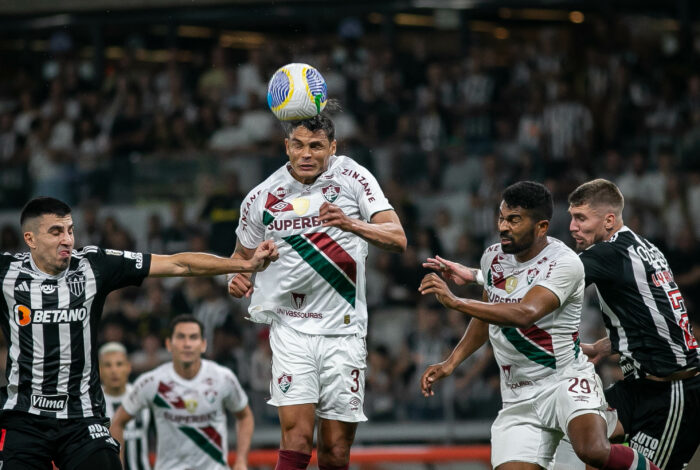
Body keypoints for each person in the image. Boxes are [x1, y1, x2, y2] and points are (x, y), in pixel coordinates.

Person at [0, 196, 277, 470]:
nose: (67, 240)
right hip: (24, 418)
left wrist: (245, 264)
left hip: (81, 418)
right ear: (30, 239)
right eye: (56, 232)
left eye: (70, 230)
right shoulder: (7, 273)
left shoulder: (93, 264)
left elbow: (178, 264)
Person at [419, 181, 660, 470]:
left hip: (565, 382)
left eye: (515, 219)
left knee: (593, 450)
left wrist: (455, 302)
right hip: (517, 398)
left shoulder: (564, 263)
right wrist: (451, 362)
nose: (504, 226)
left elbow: (525, 312)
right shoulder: (492, 258)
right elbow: (487, 315)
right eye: (502, 218)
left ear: (541, 227)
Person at [227, 113, 406, 470]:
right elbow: (239, 260)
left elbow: (398, 239)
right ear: (286, 147)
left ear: (332, 148)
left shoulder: (352, 177)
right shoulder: (262, 197)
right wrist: (238, 278)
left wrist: (349, 223)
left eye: (316, 146)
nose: (306, 154)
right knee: (296, 438)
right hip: (291, 330)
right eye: (298, 145)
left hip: (344, 331)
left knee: (336, 450)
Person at [551, 179, 700, 470]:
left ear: (608, 220)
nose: (572, 227)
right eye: (571, 217)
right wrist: (609, 345)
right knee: (584, 440)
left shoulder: (609, 253)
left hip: (672, 392)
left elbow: (548, 286)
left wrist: (482, 278)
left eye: (581, 218)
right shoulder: (645, 248)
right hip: (637, 386)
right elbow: (659, 314)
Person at [110, 315, 253, 470]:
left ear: (203, 344)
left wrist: (241, 460)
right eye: (180, 337)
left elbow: (245, 416)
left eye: (193, 337)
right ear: (169, 344)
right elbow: (117, 422)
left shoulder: (223, 378)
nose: (187, 344)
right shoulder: (152, 382)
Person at [99, 341, 151, 470]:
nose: (114, 370)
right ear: (99, 370)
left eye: (119, 364)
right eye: (107, 365)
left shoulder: (143, 396)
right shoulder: (91, 402)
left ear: (128, 367)